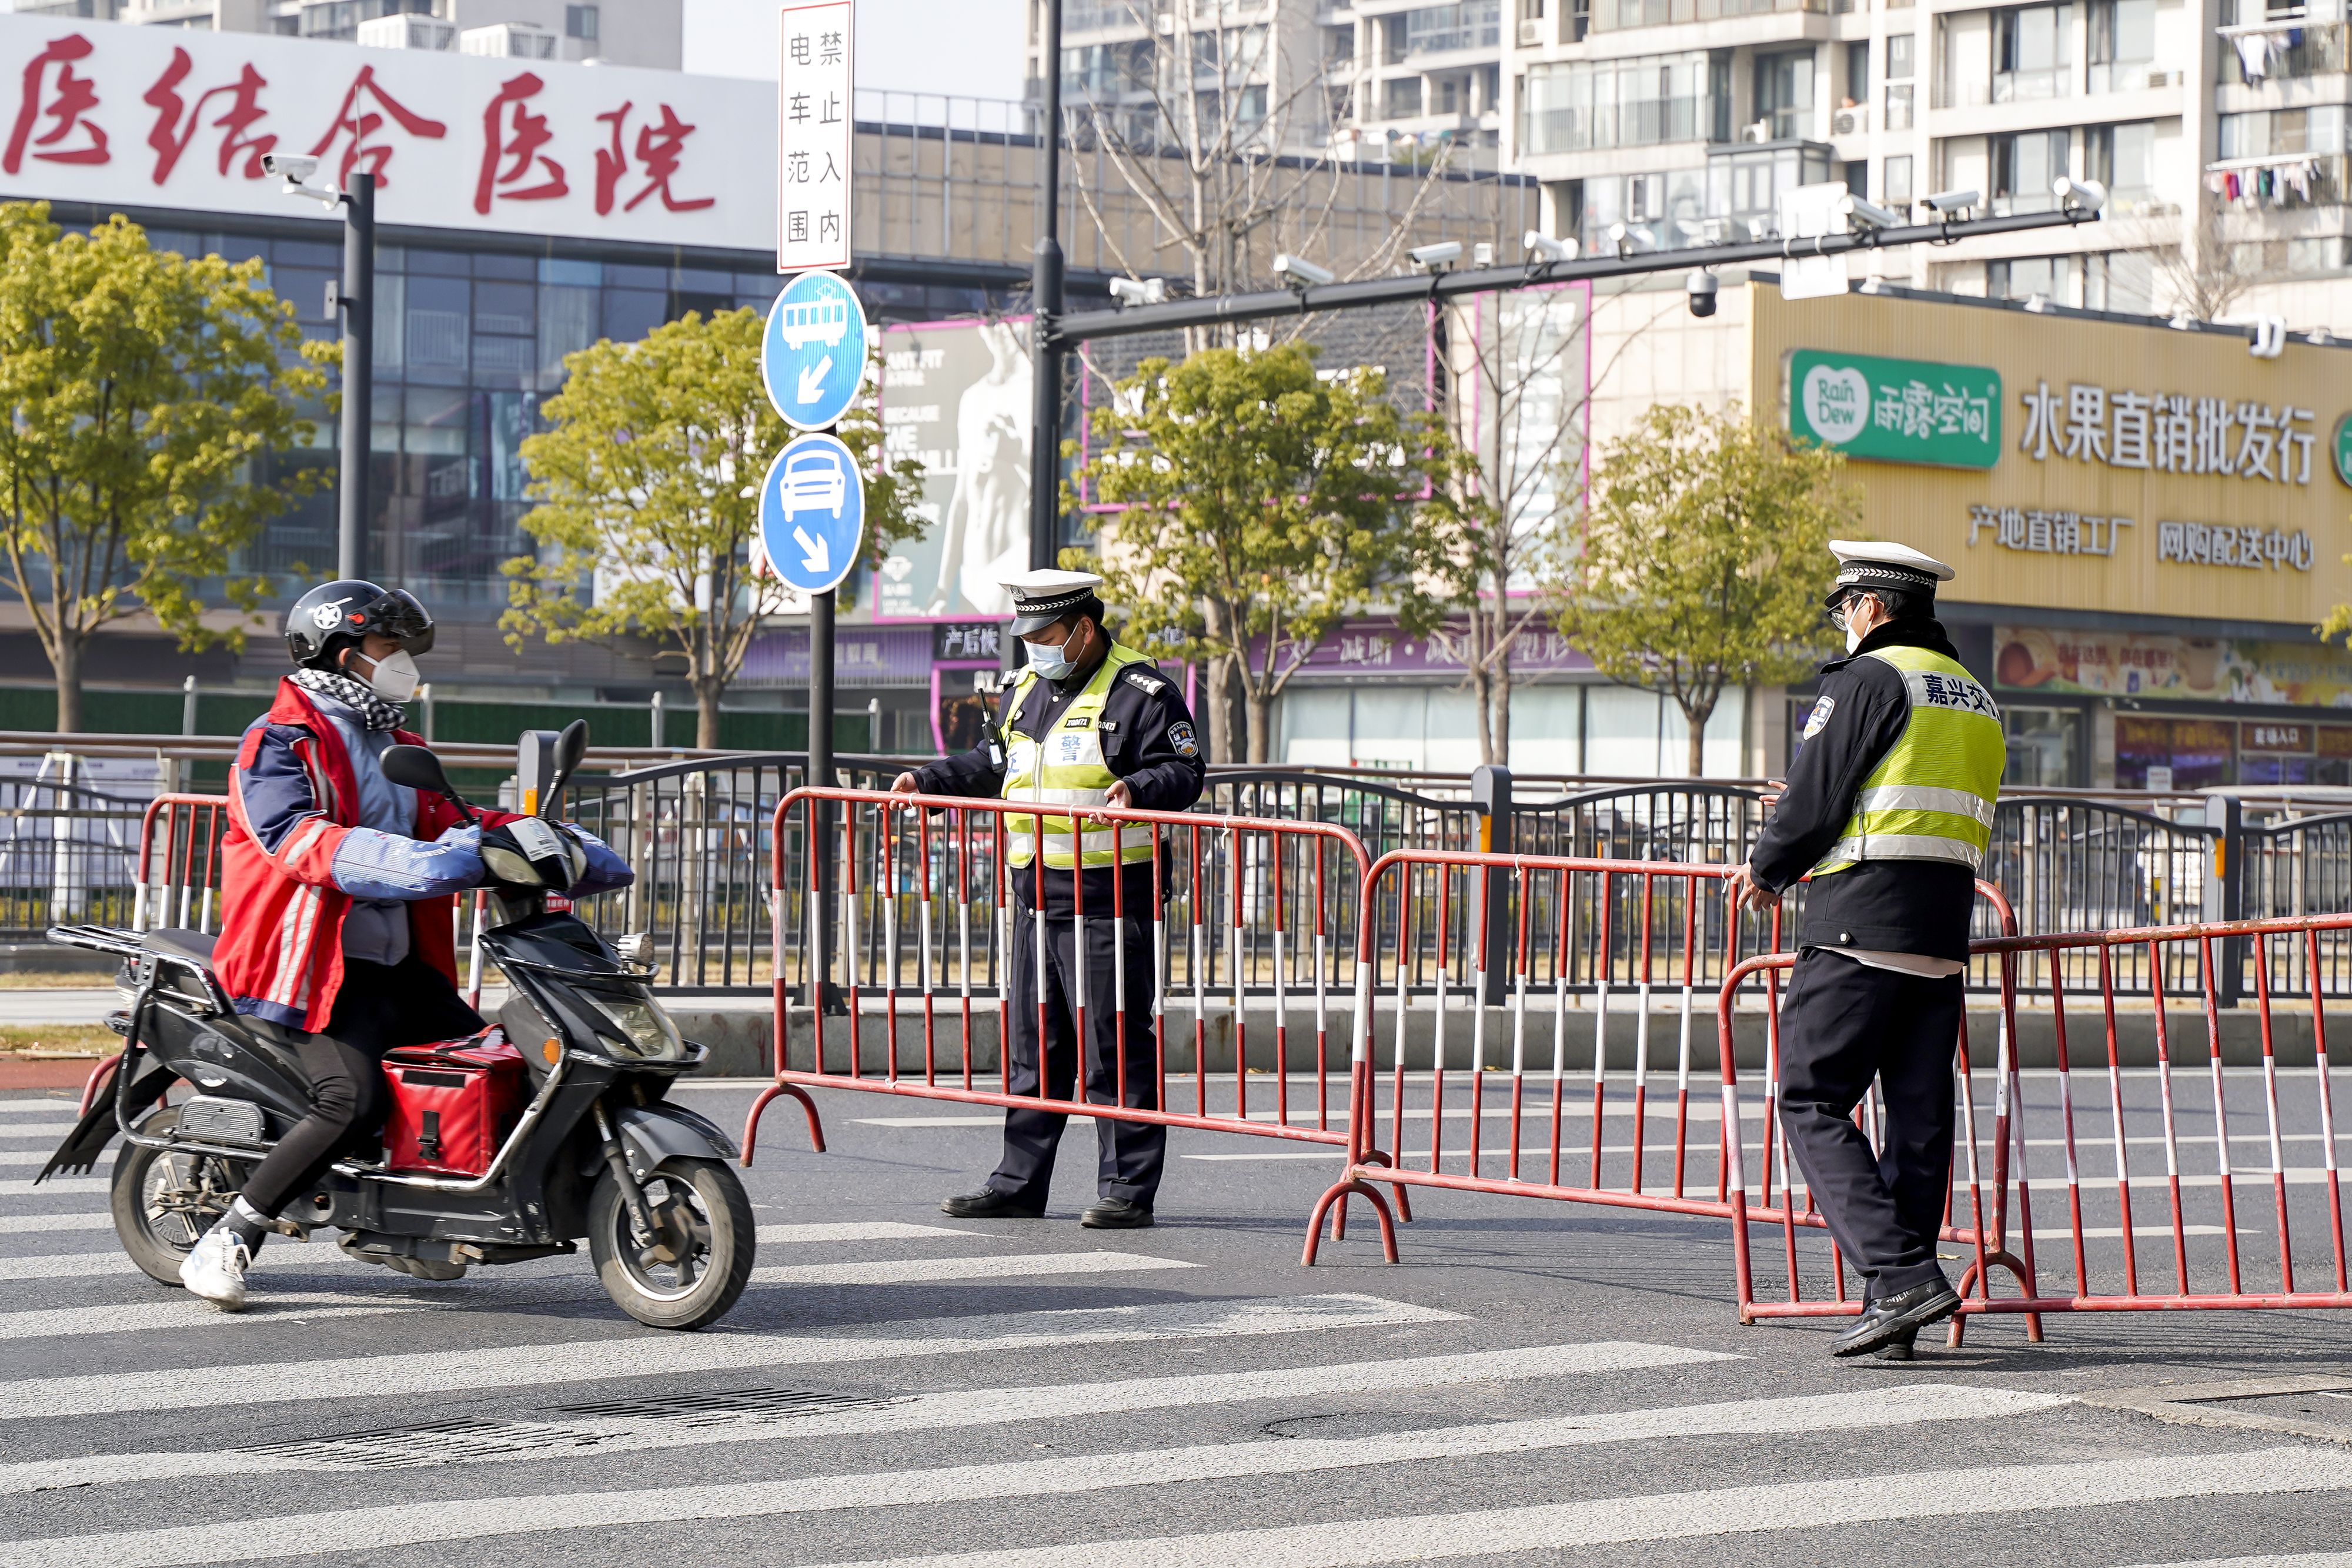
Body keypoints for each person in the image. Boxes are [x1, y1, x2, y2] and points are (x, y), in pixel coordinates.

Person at [178, 581, 632, 1310]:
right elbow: (295, 838)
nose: (402, 664)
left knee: (505, 1067)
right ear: (344, 652)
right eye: (390, 648)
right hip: (307, 973)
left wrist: (549, 843)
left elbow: (454, 818)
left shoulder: (398, 743)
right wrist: (417, 861)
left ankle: (416, 1224)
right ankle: (231, 1236)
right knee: (348, 1101)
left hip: (395, 968)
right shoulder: (278, 741)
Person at [1727, 541, 2004, 1359]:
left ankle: (1899, 1273)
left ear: (1873, 607)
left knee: (1811, 1099)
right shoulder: (1976, 696)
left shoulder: (1870, 679)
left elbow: (1819, 793)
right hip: (1941, 933)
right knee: (1917, 1124)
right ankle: (1901, 1312)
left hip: (1857, 925)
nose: (1840, 623)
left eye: (1841, 608)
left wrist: (1767, 866)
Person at [891, 569, 1207, 1228]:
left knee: (1112, 1044)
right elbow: (995, 761)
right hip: (1035, 896)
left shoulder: (1140, 691)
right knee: (1034, 1048)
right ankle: (1018, 1183)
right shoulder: (1025, 690)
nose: (1032, 647)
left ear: (1083, 630)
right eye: (1026, 635)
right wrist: (929, 779)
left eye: (1045, 635)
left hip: (1111, 900)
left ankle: (1126, 1188)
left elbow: (1184, 770)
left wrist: (1139, 791)